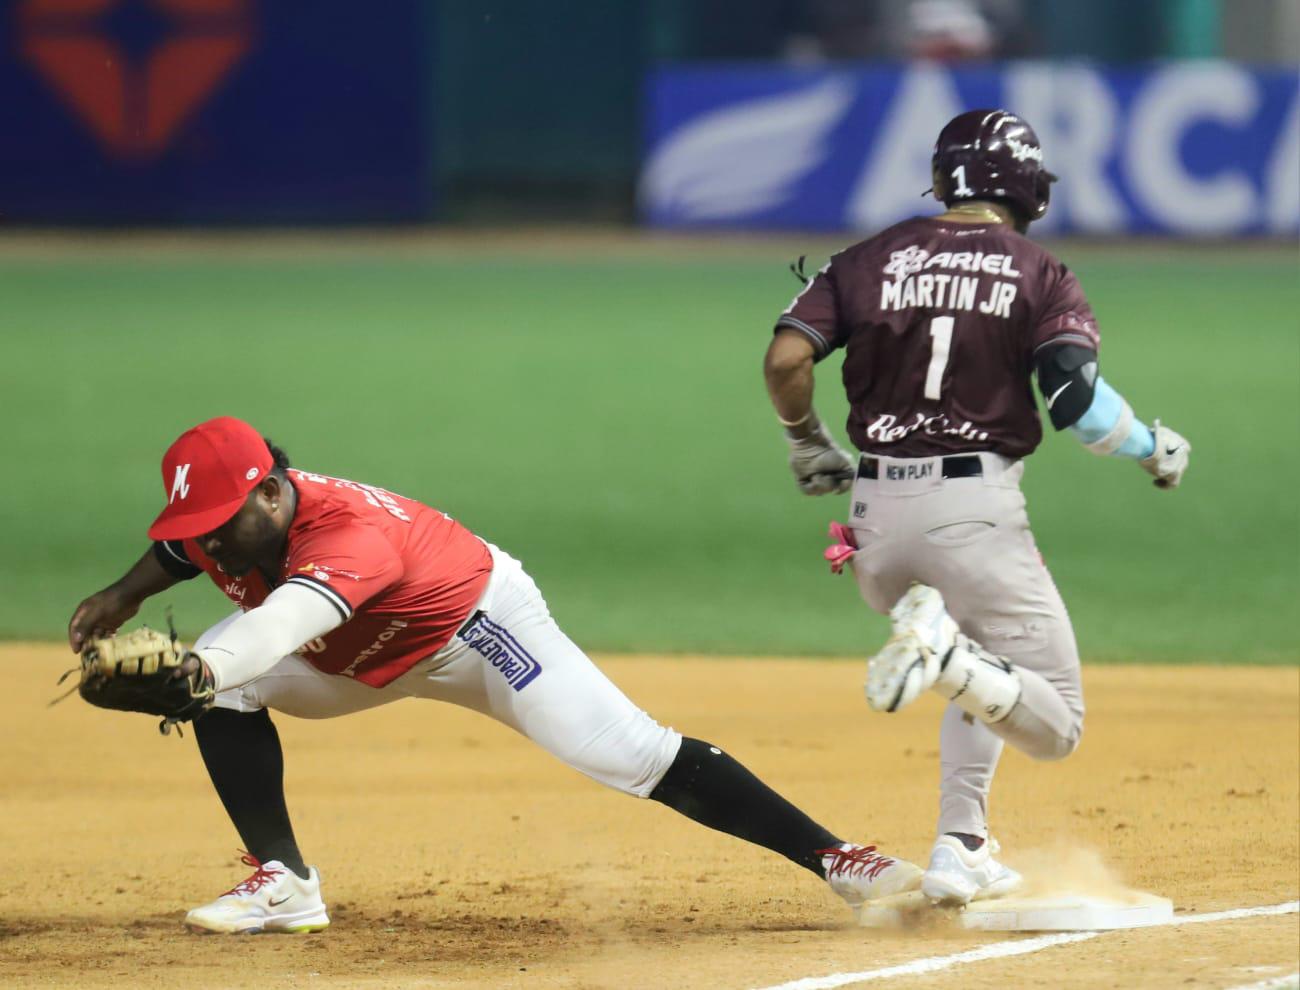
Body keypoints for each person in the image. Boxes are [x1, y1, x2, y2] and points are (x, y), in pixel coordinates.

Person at [67, 415, 921, 934]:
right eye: (198, 524)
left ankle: (841, 861)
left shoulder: (346, 534)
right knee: (230, 687)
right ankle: (284, 884)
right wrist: (120, 594)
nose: (208, 541)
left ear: (272, 494)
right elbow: (177, 550)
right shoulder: (226, 522)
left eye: (222, 522)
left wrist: (195, 669)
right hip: (355, 657)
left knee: (631, 755)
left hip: (475, 632)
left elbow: (287, 620)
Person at [762, 109, 1190, 906]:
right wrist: (1154, 447)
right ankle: (945, 655)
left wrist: (807, 440)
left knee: (982, 665)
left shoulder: (867, 258)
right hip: (972, 513)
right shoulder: (1038, 272)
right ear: (1028, 185)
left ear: (942, 179)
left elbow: (787, 357)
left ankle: (961, 847)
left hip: (876, 527)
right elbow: (1081, 409)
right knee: (1055, 723)